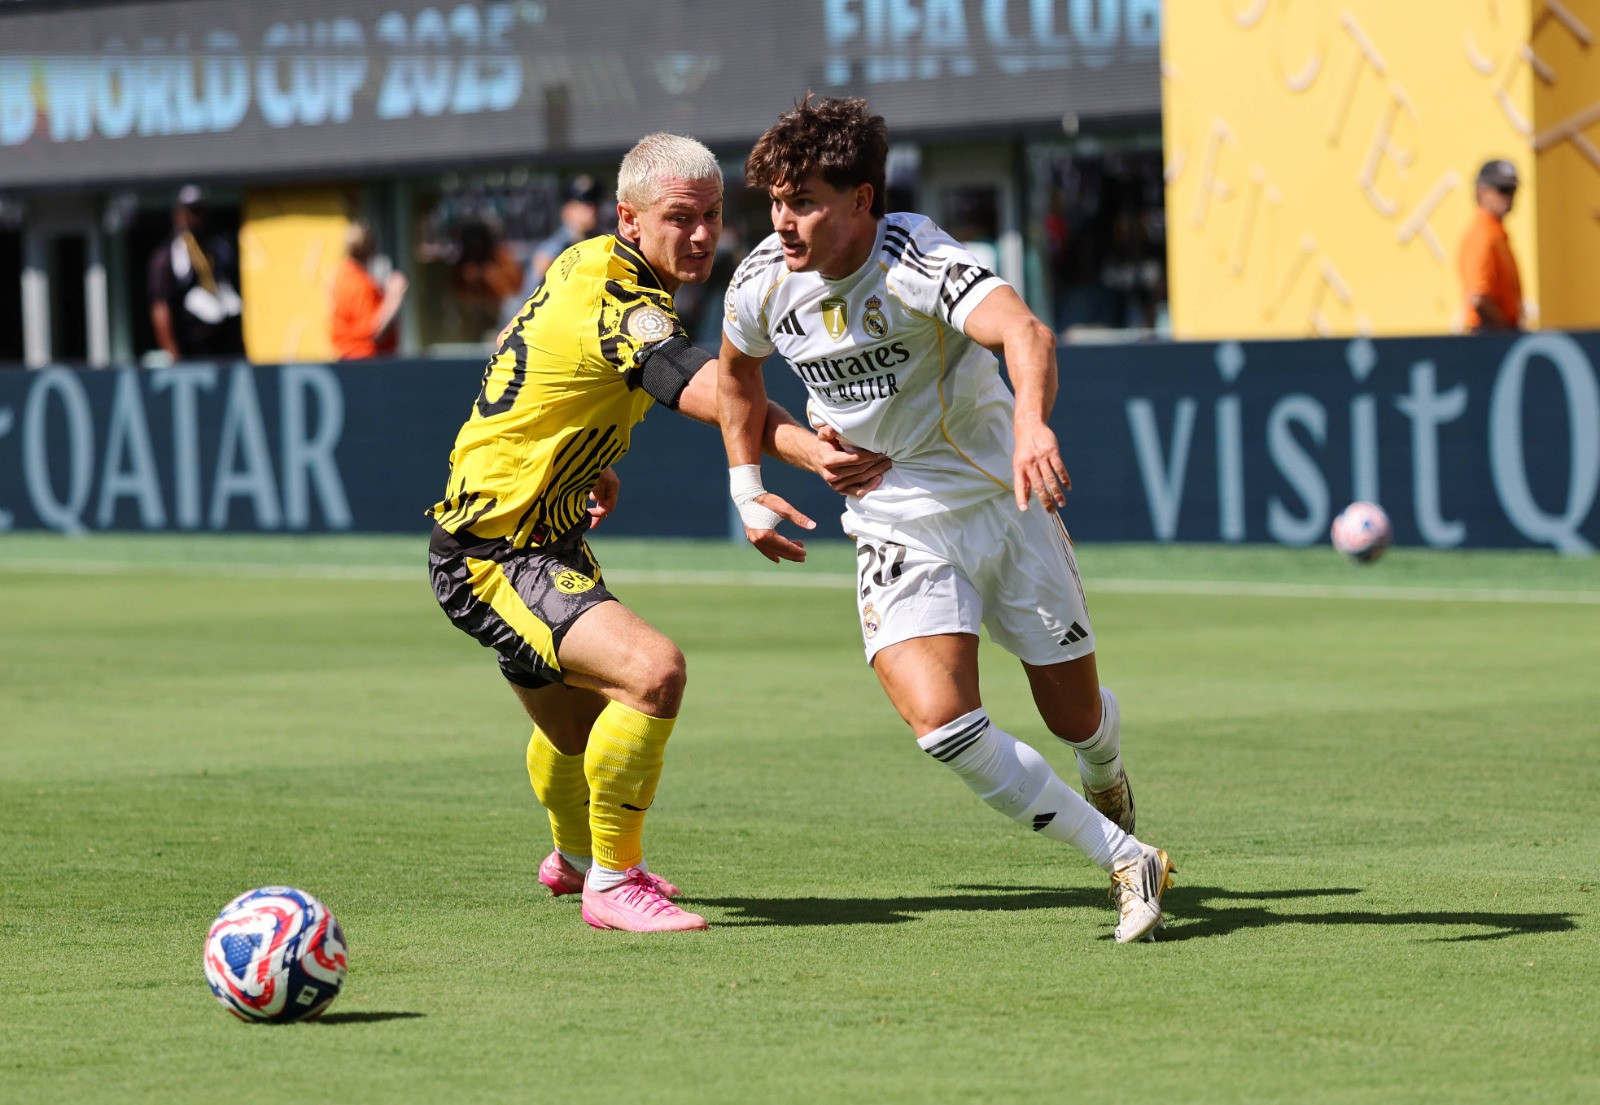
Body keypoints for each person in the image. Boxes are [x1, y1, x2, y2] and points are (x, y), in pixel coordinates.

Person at [716, 96, 1174, 944]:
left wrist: (1032, 423)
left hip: (1003, 506)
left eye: (805, 200)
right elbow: (736, 374)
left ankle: (1106, 775)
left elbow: (1024, 332)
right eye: (777, 200)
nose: (784, 221)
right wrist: (749, 485)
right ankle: (1123, 854)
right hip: (895, 518)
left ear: (861, 199)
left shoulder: (915, 257)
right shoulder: (760, 284)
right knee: (940, 723)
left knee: (1074, 719)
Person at [427, 133, 890, 933]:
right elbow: (708, 388)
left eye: (713, 216)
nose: (704, 234)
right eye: (682, 217)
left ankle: (576, 861)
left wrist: (583, 460)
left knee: (579, 728)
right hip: (497, 552)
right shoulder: (621, 299)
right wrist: (813, 453)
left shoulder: (581, 263)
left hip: (529, 533)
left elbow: (518, 349)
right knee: (654, 672)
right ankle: (612, 883)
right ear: (630, 219)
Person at [147, 185, 244, 360]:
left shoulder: (220, 248)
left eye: (199, 211)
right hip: (190, 352)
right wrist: (173, 355)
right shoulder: (168, 255)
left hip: (225, 350)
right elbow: (160, 307)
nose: (194, 218)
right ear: (177, 214)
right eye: (190, 211)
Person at [1458, 159, 1524, 334]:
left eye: (1512, 190)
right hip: (1487, 335)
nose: (1509, 197)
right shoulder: (1481, 234)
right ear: (1481, 193)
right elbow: (1478, 297)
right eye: (1502, 189)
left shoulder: (1495, 233)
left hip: (1497, 334)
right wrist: (1506, 334)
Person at [329, 221, 409, 360]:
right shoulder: (358, 284)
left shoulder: (340, 276)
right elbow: (375, 332)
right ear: (369, 249)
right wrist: (395, 296)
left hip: (349, 360)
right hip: (365, 363)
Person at [524, 174, 603, 295]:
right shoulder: (551, 252)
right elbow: (531, 299)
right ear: (567, 210)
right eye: (584, 204)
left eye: (594, 203)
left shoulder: (602, 243)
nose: (591, 209)